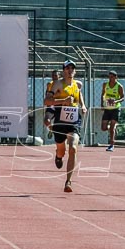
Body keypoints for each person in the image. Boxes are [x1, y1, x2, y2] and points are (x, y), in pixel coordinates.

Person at [46, 61, 86, 193]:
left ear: (75, 71)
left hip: (73, 120)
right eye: (68, 68)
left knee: (73, 147)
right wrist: (63, 101)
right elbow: (47, 101)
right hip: (59, 120)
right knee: (61, 150)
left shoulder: (78, 84)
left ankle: (68, 181)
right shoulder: (57, 84)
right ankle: (58, 156)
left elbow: (79, 93)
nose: (70, 70)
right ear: (63, 70)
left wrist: (83, 105)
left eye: (72, 68)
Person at [100, 70, 125, 152]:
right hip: (107, 108)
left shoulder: (119, 86)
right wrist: (102, 104)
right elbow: (103, 94)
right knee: (103, 128)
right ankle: (112, 129)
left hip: (115, 108)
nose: (110, 79)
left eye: (112, 77)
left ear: (116, 77)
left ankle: (111, 145)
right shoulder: (105, 85)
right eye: (109, 77)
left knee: (112, 127)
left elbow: (123, 97)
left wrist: (116, 101)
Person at [43, 69, 60, 134]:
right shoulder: (49, 84)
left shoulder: (61, 84)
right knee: (46, 121)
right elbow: (47, 95)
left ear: (59, 76)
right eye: (53, 76)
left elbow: (59, 94)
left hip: (60, 105)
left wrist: (53, 96)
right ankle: (52, 129)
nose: (54, 77)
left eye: (55, 75)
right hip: (52, 105)